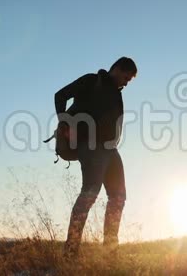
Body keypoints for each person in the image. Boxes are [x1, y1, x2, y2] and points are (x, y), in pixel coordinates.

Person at [54, 56, 137, 258]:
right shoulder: (92, 80)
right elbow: (60, 95)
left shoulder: (117, 93)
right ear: (117, 69)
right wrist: (64, 122)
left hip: (110, 149)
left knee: (118, 196)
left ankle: (110, 252)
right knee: (90, 192)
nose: (126, 83)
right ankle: (71, 250)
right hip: (90, 146)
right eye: (126, 78)